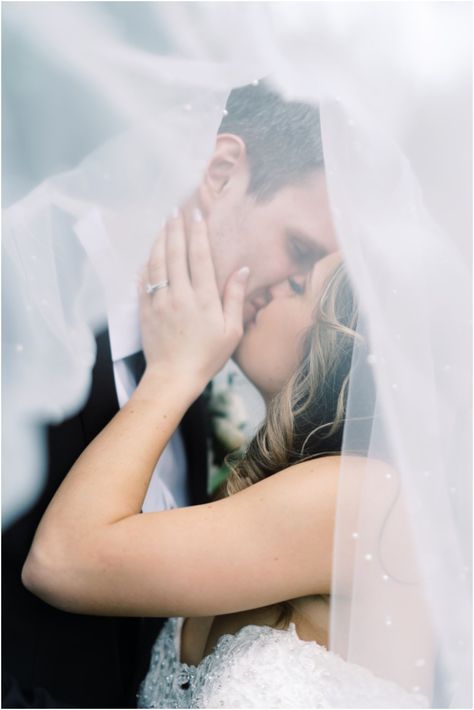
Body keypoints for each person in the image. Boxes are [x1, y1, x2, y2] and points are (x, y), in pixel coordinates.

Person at [3, 82, 338, 709]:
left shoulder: (194, 371)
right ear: (221, 172)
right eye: (298, 251)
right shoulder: (17, 286)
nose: (298, 290)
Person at [23, 213, 428, 708]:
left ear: (338, 347)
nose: (270, 285)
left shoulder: (361, 496)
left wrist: (174, 371)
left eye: (298, 283)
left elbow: (63, 560)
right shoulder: (277, 490)